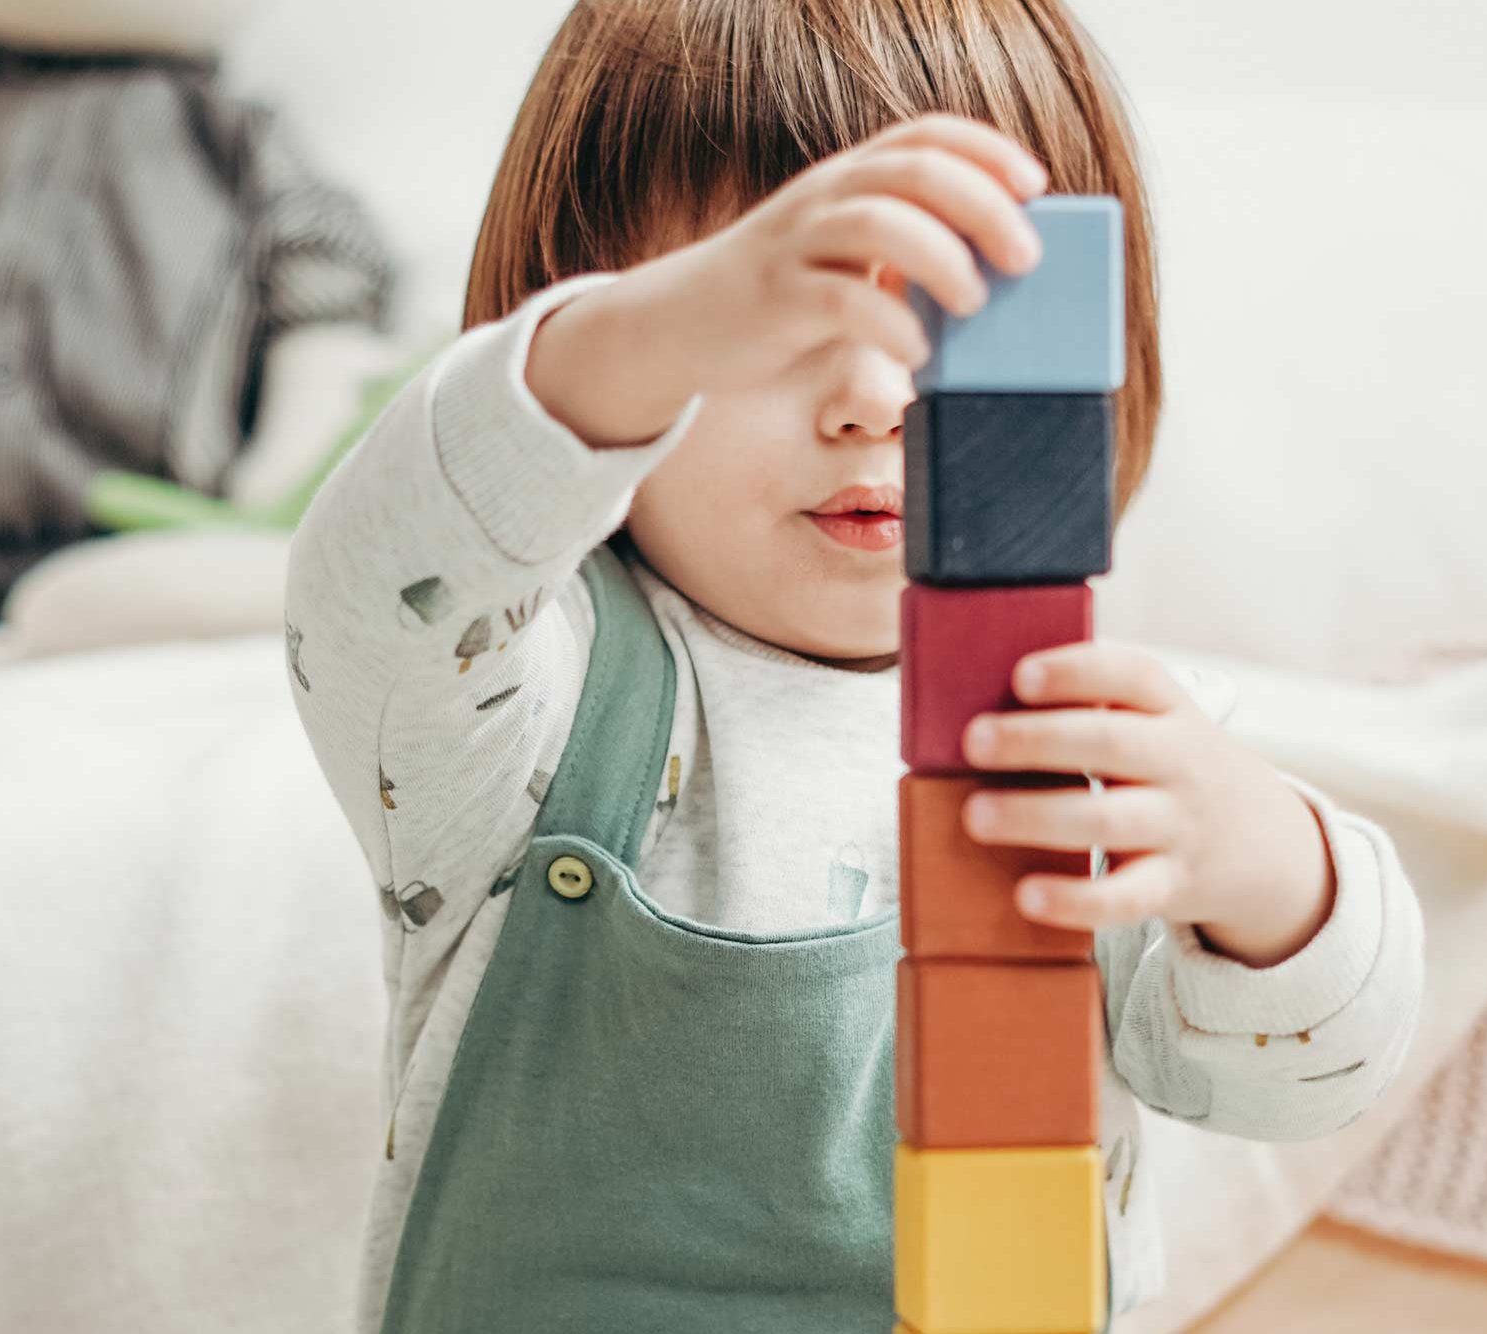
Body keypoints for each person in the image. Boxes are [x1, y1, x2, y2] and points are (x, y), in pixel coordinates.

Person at [285, 1, 1425, 1329]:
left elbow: (1305, 1074)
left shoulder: (1102, 745)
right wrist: (640, 339)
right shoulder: (518, 702)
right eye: (777, 320)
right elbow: (376, 588)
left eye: (960, 319)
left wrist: (1273, 870)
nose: (876, 395)